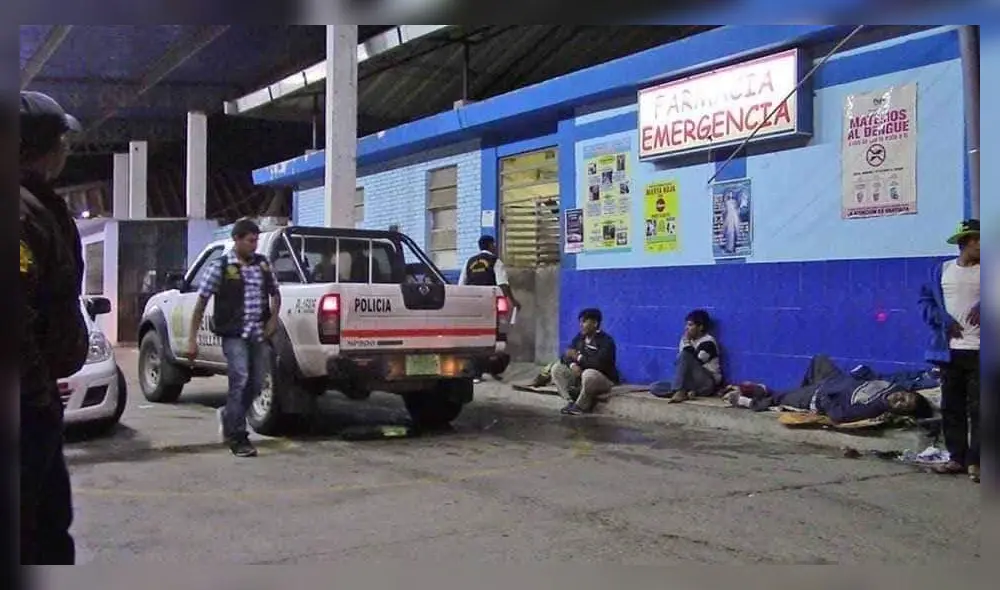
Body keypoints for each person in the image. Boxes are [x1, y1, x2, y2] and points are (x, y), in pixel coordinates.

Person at [19, 90, 88, 564]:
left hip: (31, 403)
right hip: (23, 407)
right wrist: (36, 391)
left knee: (47, 525)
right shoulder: (21, 211)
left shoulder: (36, 203)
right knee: (34, 530)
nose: (67, 147)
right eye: (62, 138)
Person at [187, 218, 281, 458]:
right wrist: (191, 339)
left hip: (258, 333)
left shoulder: (262, 264)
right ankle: (238, 437)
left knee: (259, 382)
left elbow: (275, 293)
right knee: (240, 378)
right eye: (250, 241)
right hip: (233, 334)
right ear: (237, 240)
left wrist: (272, 320)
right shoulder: (221, 267)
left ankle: (228, 415)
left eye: (256, 240)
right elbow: (201, 303)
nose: (254, 245)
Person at [918, 219, 980, 483]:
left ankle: (977, 462)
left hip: (981, 350)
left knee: (981, 409)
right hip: (950, 351)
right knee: (952, 406)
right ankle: (957, 457)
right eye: (978, 241)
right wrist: (942, 320)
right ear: (965, 243)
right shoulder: (941, 271)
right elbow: (925, 301)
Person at [725, 355, 935, 424]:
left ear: (896, 412)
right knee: (820, 359)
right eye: (906, 397)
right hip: (835, 379)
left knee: (782, 399)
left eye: (902, 405)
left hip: (822, 394)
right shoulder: (894, 387)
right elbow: (903, 377)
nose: (899, 398)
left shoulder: (872, 408)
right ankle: (776, 392)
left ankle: (752, 401)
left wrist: (823, 399)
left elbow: (837, 414)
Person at [458, 235, 521, 382]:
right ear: (491, 245)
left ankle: (477, 373)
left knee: (475, 338)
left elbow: (461, 285)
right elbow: (503, 284)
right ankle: (493, 369)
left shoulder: (469, 261)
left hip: (473, 306)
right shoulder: (495, 261)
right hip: (491, 306)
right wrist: (513, 301)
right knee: (497, 338)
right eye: (494, 244)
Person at [552, 308, 620, 415]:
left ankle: (581, 406)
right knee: (557, 368)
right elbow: (566, 355)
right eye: (580, 322)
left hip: (603, 379)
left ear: (595, 323)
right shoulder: (579, 338)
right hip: (581, 377)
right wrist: (572, 364)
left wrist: (579, 358)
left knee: (589, 374)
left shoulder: (606, 341)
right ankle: (570, 401)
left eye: (584, 322)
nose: (580, 325)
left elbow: (598, 364)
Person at [652, 309, 723, 403]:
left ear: (700, 327)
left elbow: (697, 360)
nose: (686, 328)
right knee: (655, 387)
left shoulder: (708, 342)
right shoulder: (687, 341)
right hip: (690, 383)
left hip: (706, 382)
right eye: (686, 325)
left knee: (686, 355)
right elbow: (680, 363)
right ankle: (688, 392)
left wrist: (686, 342)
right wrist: (686, 342)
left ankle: (680, 391)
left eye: (690, 325)